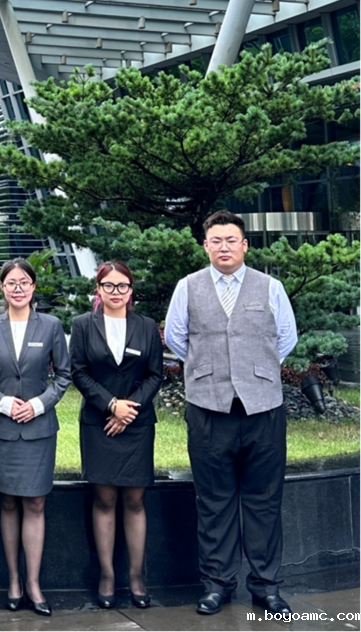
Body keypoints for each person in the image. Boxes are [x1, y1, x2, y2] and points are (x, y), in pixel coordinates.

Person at [164, 210, 298, 617]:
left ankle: (266, 586)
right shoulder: (188, 287)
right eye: (216, 241)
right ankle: (217, 584)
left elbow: (286, 337)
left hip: (263, 409)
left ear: (245, 245)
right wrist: (207, 368)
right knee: (214, 501)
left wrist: (254, 369)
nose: (224, 247)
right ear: (206, 246)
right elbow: (176, 337)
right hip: (208, 408)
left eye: (231, 240)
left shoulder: (270, 286)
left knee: (264, 500)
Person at [0, 259, 71, 616]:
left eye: (24, 282)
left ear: (33, 287)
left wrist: (39, 405)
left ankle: (34, 583)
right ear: (2, 288)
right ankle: (14, 581)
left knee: (35, 503)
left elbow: (64, 375)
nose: (18, 289)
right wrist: (1, 403)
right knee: (9, 502)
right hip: (2, 430)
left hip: (39, 429)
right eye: (11, 283)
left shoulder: (51, 326)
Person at [70, 261, 163, 610]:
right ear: (98, 289)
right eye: (108, 285)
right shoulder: (83, 325)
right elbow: (78, 372)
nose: (116, 292)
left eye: (122, 285)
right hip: (99, 423)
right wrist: (111, 405)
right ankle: (107, 576)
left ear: (131, 290)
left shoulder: (146, 326)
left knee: (135, 500)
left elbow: (155, 374)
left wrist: (129, 410)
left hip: (137, 424)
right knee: (105, 499)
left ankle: (136, 577)